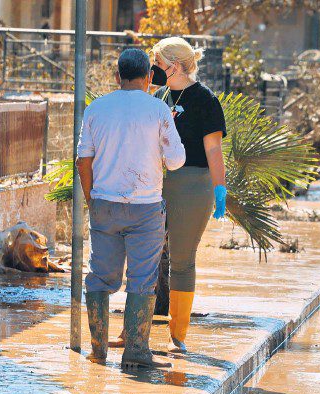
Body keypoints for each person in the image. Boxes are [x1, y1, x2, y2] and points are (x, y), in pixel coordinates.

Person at [76, 48, 185, 368]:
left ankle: (98, 349)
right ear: (150, 77)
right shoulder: (158, 110)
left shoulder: (96, 108)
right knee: (142, 278)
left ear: (117, 76)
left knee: (100, 277)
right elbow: (176, 161)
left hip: (104, 205)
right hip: (146, 208)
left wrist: (91, 200)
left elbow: (84, 160)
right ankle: (136, 351)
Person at [151, 37, 227, 353]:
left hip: (193, 184)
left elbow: (214, 149)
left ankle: (177, 335)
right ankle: (135, 330)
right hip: (155, 182)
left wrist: (219, 189)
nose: (154, 71)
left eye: (159, 66)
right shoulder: (158, 96)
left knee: (181, 260)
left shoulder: (205, 100)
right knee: (146, 257)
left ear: (177, 65)